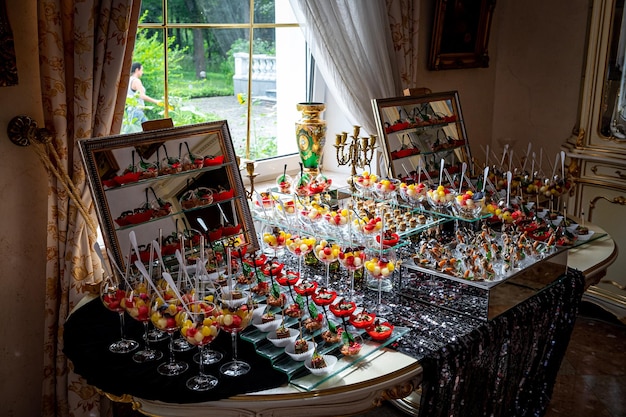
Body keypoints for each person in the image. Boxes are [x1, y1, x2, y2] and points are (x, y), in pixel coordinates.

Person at [124, 62, 161, 132]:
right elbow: (142, 96)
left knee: (140, 130)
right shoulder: (136, 81)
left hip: (130, 111)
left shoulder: (129, 80)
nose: (142, 72)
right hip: (137, 110)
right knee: (147, 131)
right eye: (142, 70)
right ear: (137, 70)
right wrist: (156, 101)